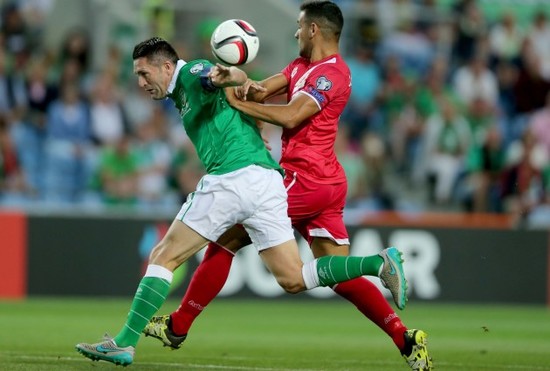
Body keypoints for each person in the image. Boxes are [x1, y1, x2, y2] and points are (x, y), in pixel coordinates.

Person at [74, 36, 408, 367]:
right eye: (137, 76)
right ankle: (377, 264)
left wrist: (230, 75)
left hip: (231, 180)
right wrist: (249, 111)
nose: (141, 82)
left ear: (166, 66)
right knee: (293, 277)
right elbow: (232, 95)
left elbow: (219, 77)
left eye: (144, 74)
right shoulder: (181, 94)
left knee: (163, 255)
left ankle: (124, 343)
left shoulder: (191, 73)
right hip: (267, 183)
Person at [142, 2, 432, 370]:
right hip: (325, 181)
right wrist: (237, 80)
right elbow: (260, 91)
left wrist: (238, 104)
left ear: (314, 30)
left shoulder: (332, 75)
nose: (295, 33)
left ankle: (178, 326)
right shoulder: (300, 67)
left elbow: (292, 114)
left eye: (299, 26)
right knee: (336, 273)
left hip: (303, 177)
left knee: (226, 239)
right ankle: (405, 339)